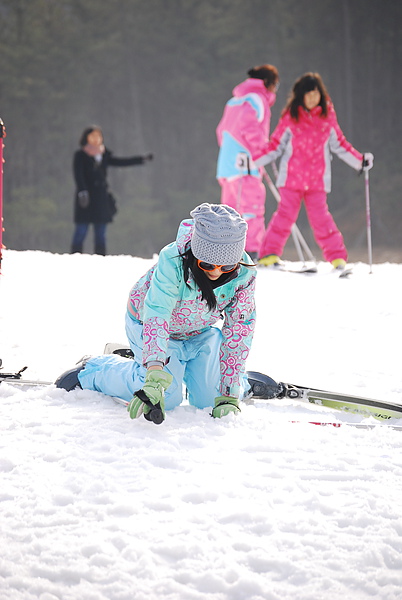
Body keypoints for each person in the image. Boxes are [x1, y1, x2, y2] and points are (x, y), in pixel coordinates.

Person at [56, 203, 257, 422]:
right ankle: (96, 369)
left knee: (211, 400)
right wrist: (153, 373)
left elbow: (240, 329)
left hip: (198, 330)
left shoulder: (244, 274)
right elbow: (158, 314)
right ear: (196, 254)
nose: (217, 273)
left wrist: (229, 393)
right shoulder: (173, 260)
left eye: (226, 267)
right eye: (207, 265)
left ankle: (240, 383)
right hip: (150, 324)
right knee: (166, 397)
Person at [254, 72, 374, 268]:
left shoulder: (327, 116)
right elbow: (275, 145)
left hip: (317, 179)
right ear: (300, 96)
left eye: (315, 94)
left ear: (321, 95)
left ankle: (337, 257)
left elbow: (340, 145)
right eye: (308, 94)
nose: (312, 98)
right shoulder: (291, 117)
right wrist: (252, 161)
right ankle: (269, 255)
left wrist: (360, 161)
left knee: (321, 219)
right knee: (284, 217)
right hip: (291, 178)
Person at [216, 64, 280, 262]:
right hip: (245, 165)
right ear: (268, 83)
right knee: (251, 208)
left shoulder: (234, 100)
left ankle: (226, 253)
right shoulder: (256, 99)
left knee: (229, 210)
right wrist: (262, 152)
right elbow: (249, 127)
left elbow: (221, 131)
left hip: (227, 166)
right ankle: (251, 253)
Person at [71, 125, 153, 255]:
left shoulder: (104, 154)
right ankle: (75, 257)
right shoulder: (80, 155)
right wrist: (82, 191)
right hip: (85, 197)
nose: (96, 139)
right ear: (86, 138)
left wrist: (141, 159)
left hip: (100, 198)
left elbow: (121, 162)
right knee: (81, 229)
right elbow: (78, 174)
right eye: (93, 136)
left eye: (98, 136)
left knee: (101, 232)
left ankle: (101, 257)